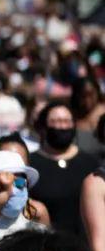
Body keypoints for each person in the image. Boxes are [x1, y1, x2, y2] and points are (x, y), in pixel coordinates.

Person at [29, 102, 97, 237]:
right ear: (43, 127)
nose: (61, 126)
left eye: (66, 121)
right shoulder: (30, 164)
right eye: (55, 121)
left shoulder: (91, 163)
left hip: (84, 246)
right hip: (45, 246)